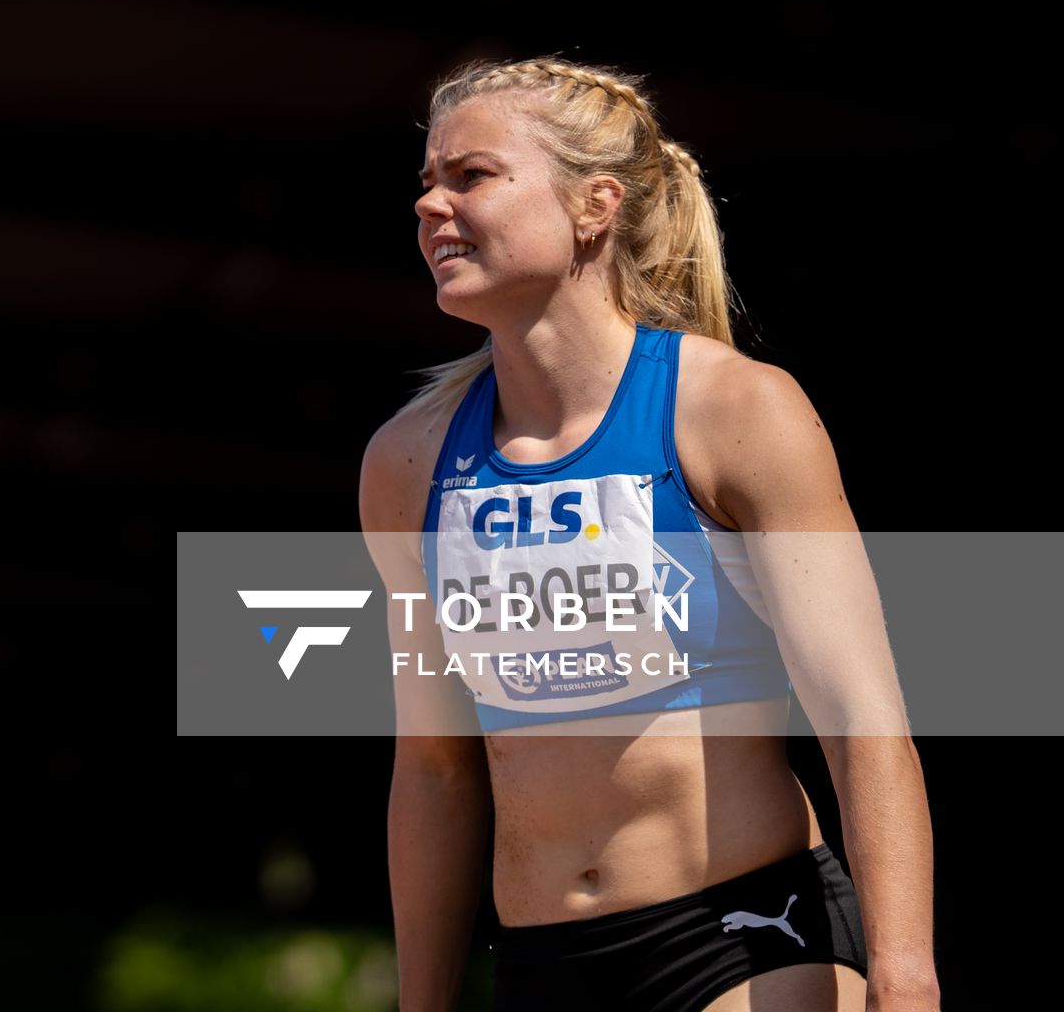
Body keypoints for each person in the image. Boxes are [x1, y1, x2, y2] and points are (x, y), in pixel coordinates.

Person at [357, 57, 939, 1011]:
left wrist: (904, 973)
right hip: (542, 961)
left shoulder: (734, 409)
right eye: (426, 180)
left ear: (595, 205)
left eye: (472, 176)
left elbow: (861, 716)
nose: (430, 204)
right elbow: (433, 765)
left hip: (747, 937)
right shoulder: (406, 462)